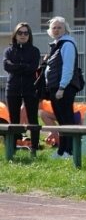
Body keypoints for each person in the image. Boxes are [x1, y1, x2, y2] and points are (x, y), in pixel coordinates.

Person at [44, 16, 80, 159]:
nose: (57, 30)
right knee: (61, 120)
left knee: (66, 119)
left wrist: (62, 87)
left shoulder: (67, 44)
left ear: (65, 29)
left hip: (63, 88)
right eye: (54, 27)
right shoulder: (57, 45)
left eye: (59, 27)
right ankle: (62, 150)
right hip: (55, 88)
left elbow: (68, 68)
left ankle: (69, 151)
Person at [3, 22, 41, 152]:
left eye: (26, 33)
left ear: (29, 35)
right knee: (14, 120)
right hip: (12, 89)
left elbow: (32, 68)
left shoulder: (34, 51)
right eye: (20, 33)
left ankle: (34, 148)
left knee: (33, 119)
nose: (23, 35)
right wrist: (23, 66)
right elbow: (7, 66)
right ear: (15, 35)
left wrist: (17, 67)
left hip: (30, 89)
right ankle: (12, 148)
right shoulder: (9, 51)